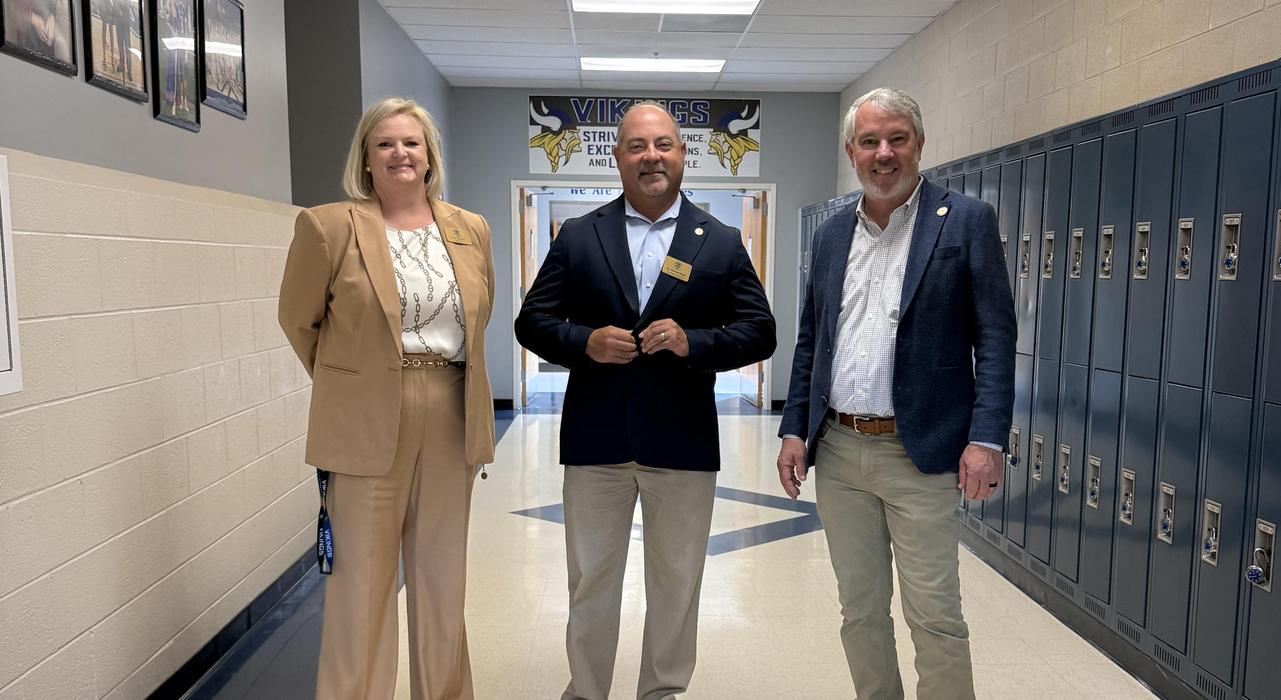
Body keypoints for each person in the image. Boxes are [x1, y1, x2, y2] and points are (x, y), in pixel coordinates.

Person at [515, 102, 775, 700]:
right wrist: (585, 342)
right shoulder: (581, 235)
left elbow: (761, 331)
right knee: (591, 580)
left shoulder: (721, 241)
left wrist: (694, 343)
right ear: (618, 158)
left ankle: (661, 690)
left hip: (681, 444)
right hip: (596, 440)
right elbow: (532, 322)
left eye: (663, 145)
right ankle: (586, 689)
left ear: (683, 155)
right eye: (636, 146)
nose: (650, 157)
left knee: (678, 581)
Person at [776, 87, 1015, 699]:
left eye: (897, 139)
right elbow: (813, 340)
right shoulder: (831, 236)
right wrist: (795, 429)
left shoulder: (966, 221)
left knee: (934, 615)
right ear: (850, 151)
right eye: (870, 141)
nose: (884, 153)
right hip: (840, 452)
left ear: (919, 144)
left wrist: (986, 438)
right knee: (860, 612)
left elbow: (994, 338)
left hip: (922, 453)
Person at [278, 97, 495, 700]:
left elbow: (480, 316)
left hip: (451, 409)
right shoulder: (327, 227)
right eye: (386, 144)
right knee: (362, 586)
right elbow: (299, 322)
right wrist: (354, 381)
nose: (401, 153)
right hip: (366, 417)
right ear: (366, 159)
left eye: (412, 143)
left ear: (430, 156)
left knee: (441, 578)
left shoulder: (469, 229)